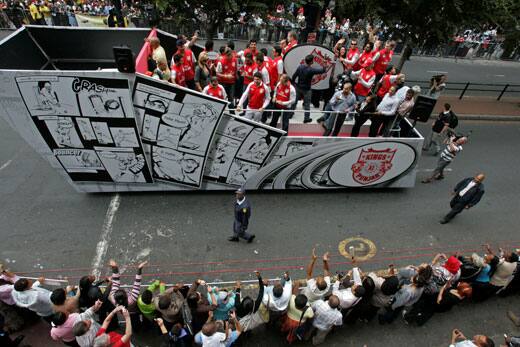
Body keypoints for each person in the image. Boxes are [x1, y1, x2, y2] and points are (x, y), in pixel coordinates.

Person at [108, 260, 146, 331]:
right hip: (134, 310)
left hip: (125, 312)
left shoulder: (113, 297)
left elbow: (115, 282)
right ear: (126, 295)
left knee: (133, 321)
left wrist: (115, 268)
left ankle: (136, 329)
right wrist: (139, 269)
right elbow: (137, 283)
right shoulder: (132, 299)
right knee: (136, 318)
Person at [292, 54, 326, 123]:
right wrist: (324, 64)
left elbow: (294, 76)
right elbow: (323, 70)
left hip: (298, 87)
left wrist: (294, 85)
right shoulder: (311, 70)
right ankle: (306, 118)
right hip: (307, 90)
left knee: (294, 102)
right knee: (307, 104)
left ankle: (290, 114)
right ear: (311, 62)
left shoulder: (300, 67)